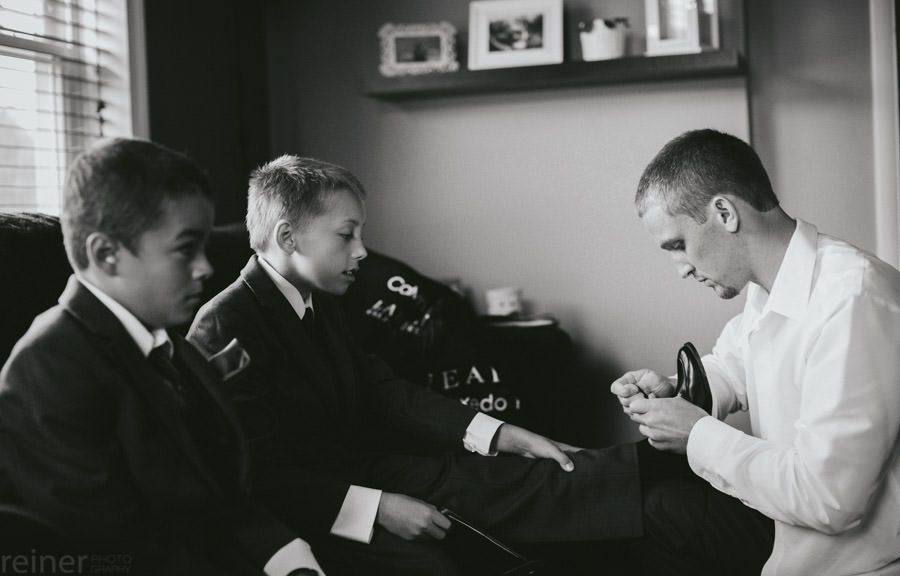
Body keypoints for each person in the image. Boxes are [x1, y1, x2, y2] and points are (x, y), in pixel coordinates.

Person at [187, 155, 645, 575]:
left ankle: (654, 472)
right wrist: (378, 508)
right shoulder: (225, 324)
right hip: (310, 508)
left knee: (516, 475)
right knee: (433, 564)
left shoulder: (319, 304)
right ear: (288, 236)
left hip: (368, 472)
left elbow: (387, 392)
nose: (362, 251)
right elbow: (258, 473)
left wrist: (506, 435)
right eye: (347, 235)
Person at [0, 139, 322, 576]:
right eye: (185, 249)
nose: (206, 267)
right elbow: (115, 549)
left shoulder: (169, 342)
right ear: (105, 254)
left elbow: (223, 491)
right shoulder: (47, 371)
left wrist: (286, 555)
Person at [613, 128, 900, 575]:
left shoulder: (852, 299)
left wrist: (697, 435)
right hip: (791, 540)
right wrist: (678, 390)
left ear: (724, 212)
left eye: (678, 245)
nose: (681, 269)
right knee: (652, 509)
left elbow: (831, 499)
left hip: (856, 563)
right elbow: (738, 363)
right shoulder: (772, 288)